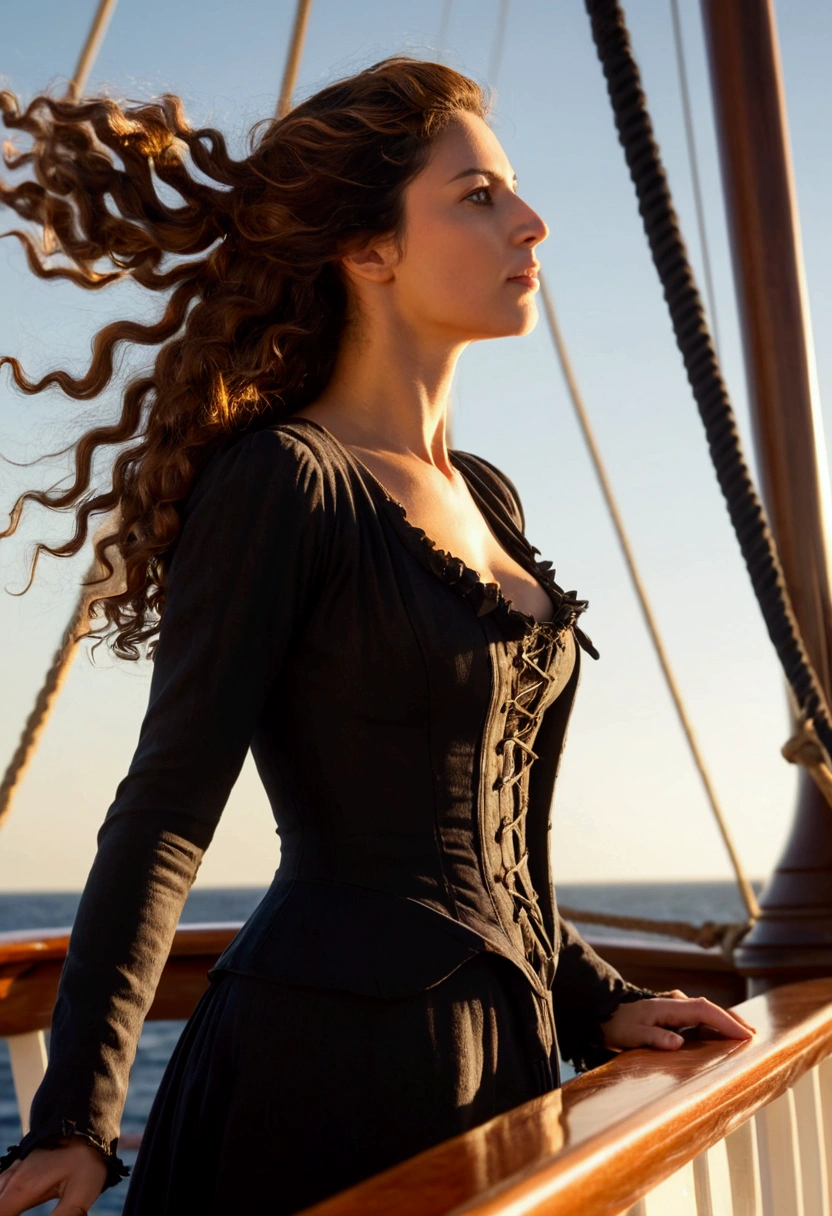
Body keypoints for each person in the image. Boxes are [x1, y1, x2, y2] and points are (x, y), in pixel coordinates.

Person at [0, 56, 754, 1215]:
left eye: (510, 191)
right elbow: (164, 812)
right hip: (325, 1074)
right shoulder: (283, 483)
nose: (532, 220)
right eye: (479, 196)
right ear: (368, 250)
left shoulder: (486, 495)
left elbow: (474, 837)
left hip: (502, 1064)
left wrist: (597, 995)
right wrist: (76, 1120)